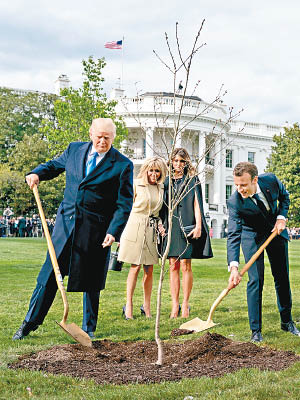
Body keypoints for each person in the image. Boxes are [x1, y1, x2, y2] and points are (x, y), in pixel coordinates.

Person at [12, 118, 133, 341]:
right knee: (48, 276)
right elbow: (53, 166)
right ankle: (29, 323)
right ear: (91, 134)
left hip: (96, 231)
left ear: (113, 138)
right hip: (65, 226)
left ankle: (89, 328)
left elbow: (124, 203)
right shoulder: (74, 150)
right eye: (99, 136)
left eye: (107, 137)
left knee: (91, 280)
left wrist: (113, 231)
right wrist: (37, 173)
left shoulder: (122, 165)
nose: (102, 141)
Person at [227, 161, 300, 342]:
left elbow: (285, 196)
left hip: (275, 231)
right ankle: (256, 330)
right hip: (251, 236)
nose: (239, 189)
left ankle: (287, 321)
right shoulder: (235, 202)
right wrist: (234, 267)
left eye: (243, 184)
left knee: (282, 277)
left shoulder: (271, 181)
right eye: (236, 184)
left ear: (255, 180)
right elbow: (234, 235)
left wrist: (282, 217)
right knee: (256, 280)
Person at [160, 148, 213, 319]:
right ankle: (174, 304)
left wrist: (198, 225)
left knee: (185, 265)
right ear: (171, 161)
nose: (178, 164)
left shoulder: (192, 180)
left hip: (187, 224)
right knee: (173, 265)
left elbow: (197, 203)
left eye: (182, 161)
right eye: (175, 160)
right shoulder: (166, 181)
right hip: (171, 226)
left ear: (186, 162)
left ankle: (185, 304)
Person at [118, 157, 167, 319]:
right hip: (135, 227)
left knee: (149, 268)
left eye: (157, 171)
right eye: (151, 170)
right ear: (145, 170)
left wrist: (160, 225)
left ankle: (146, 306)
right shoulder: (135, 184)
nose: (154, 174)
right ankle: (129, 305)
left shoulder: (161, 188)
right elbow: (125, 208)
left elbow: (158, 212)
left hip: (152, 230)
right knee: (135, 266)